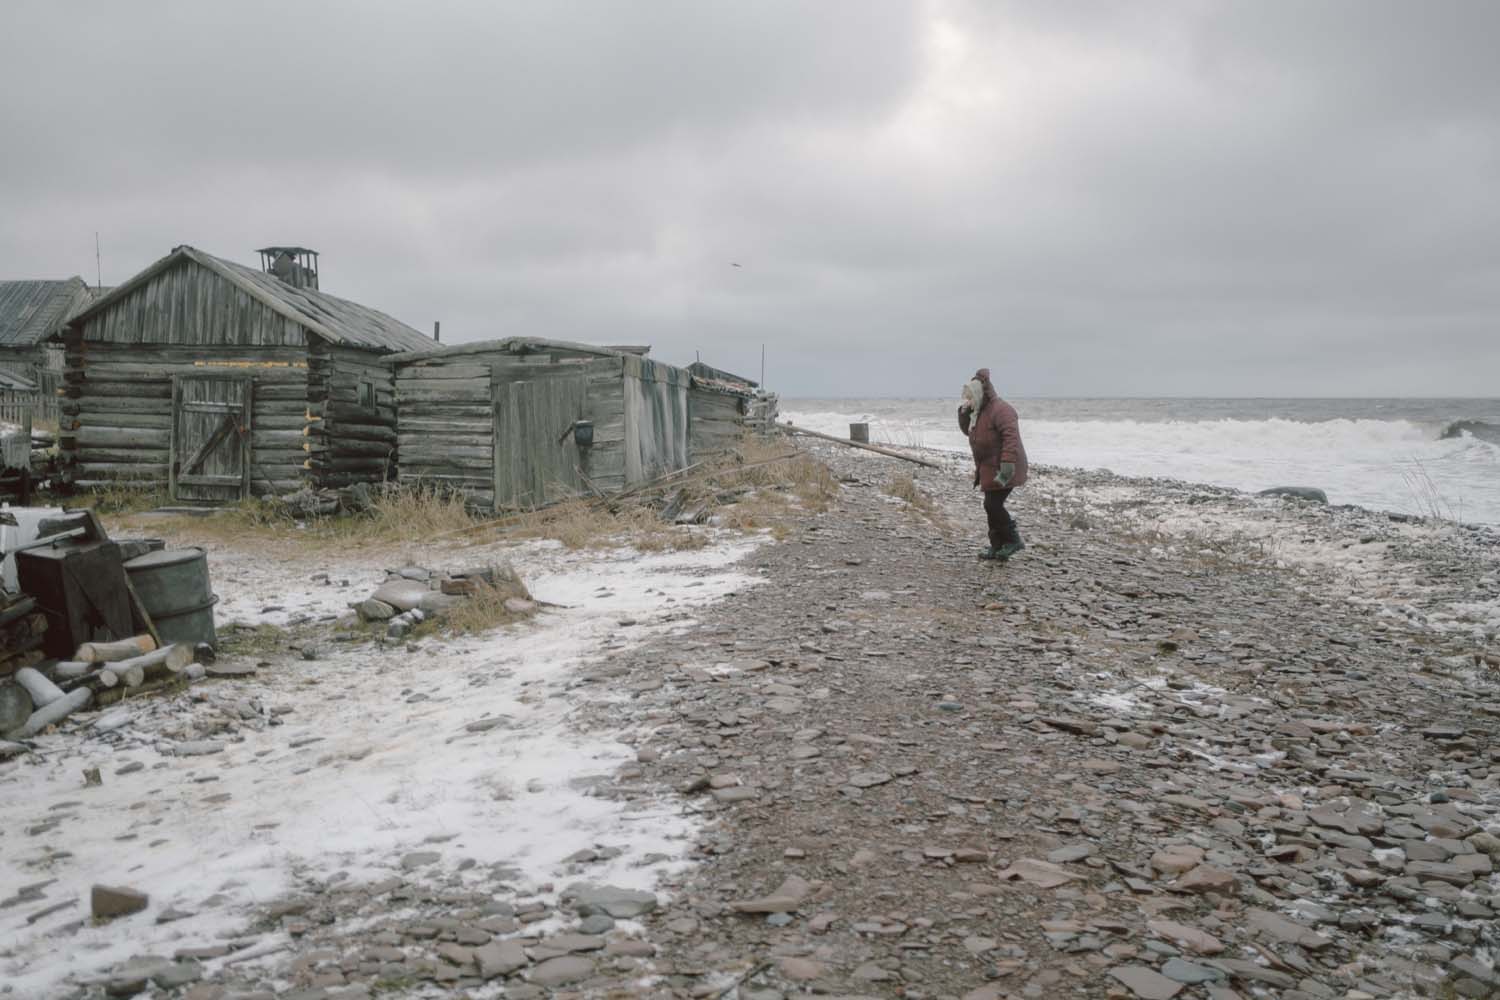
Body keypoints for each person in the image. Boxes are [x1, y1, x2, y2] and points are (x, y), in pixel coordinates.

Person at [957, 368, 1028, 561]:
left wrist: (1007, 464)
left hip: (1006, 466)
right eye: (966, 397)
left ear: (980, 394)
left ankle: (1013, 541)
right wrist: (965, 412)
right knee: (990, 506)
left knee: (992, 505)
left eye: (970, 397)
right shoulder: (979, 411)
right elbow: (968, 431)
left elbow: (1010, 438)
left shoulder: (1001, 410)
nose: (968, 400)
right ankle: (997, 546)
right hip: (988, 467)